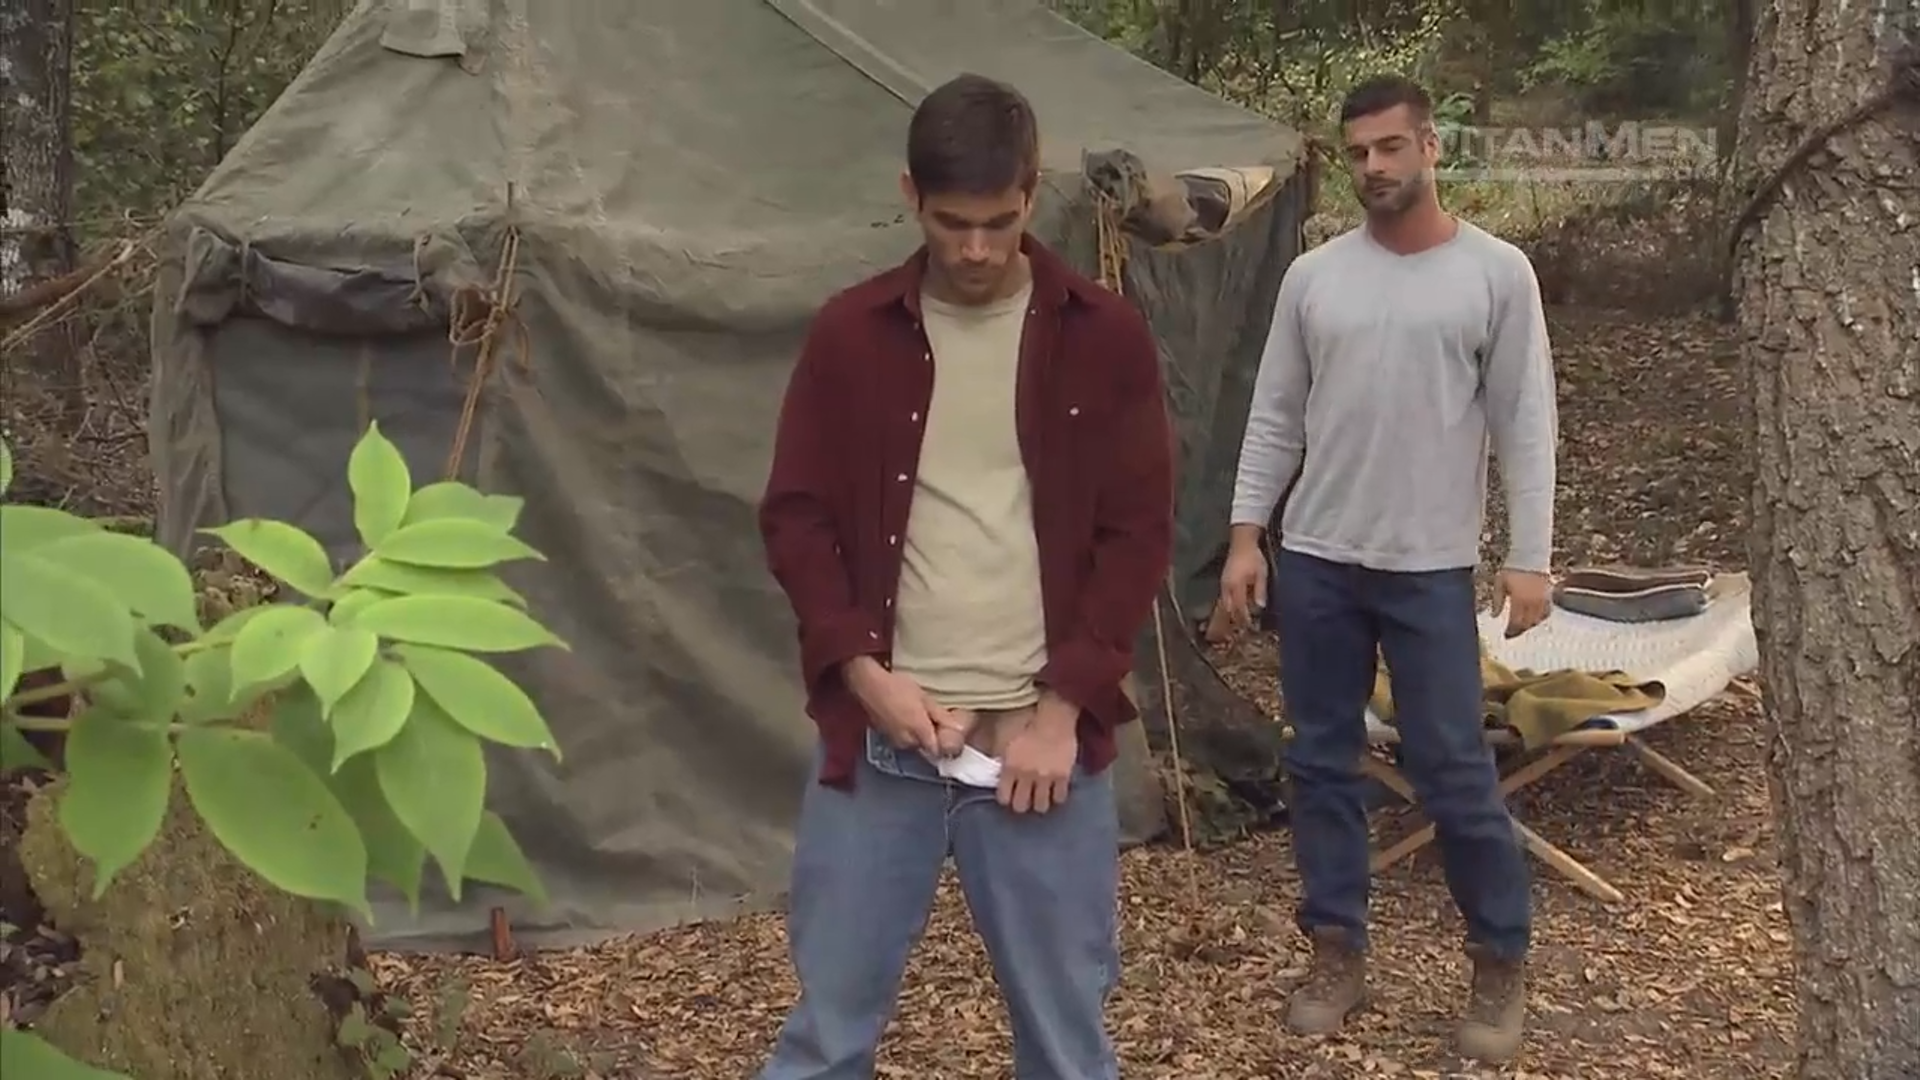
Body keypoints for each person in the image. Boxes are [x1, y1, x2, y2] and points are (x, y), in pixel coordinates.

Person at [755, 72, 1174, 1080]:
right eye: (953, 224)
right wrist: (862, 672)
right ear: (911, 198)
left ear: (1033, 195)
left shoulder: (1103, 338)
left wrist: (1063, 707)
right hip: (883, 749)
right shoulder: (850, 337)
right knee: (824, 1040)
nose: (977, 249)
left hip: (1041, 755)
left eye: (998, 221)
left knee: (1069, 1048)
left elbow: (1138, 531)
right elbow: (797, 518)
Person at [1216, 74, 1558, 1064]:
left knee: (1453, 769)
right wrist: (1247, 537)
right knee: (1320, 763)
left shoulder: (1495, 274)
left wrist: (1530, 560)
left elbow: (1525, 422)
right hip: (1319, 559)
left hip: (1428, 568)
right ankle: (1336, 951)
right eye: (1359, 152)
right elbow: (1276, 412)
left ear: (1431, 147)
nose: (1374, 167)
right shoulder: (1315, 278)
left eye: (1390, 148)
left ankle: (1499, 964)